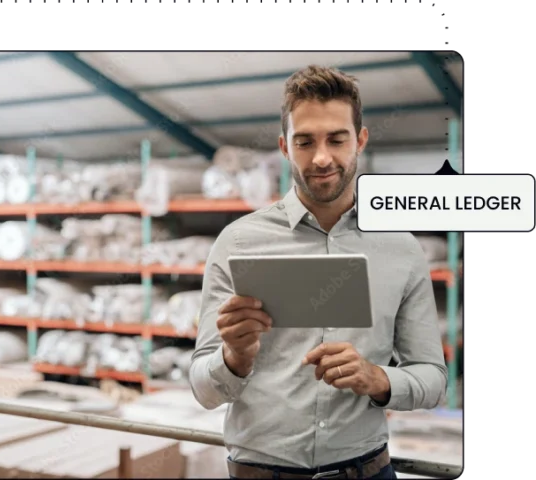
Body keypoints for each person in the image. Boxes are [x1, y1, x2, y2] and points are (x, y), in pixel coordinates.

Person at [189, 65, 448, 479]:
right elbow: (202, 389)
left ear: (360, 140)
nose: (322, 157)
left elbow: (434, 379)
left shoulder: (401, 248)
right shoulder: (237, 243)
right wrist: (234, 358)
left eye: (337, 139)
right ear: (284, 147)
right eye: (305, 141)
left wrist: (378, 379)